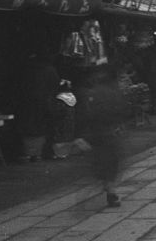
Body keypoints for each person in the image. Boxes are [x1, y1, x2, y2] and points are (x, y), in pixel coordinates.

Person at [78, 63, 140, 208]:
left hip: (96, 132)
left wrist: (82, 134)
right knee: (112, 162)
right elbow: (124, 110)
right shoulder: (114, 92)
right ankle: (110, 189)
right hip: (112, 132)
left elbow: (86, 114)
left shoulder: (92, 92)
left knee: (101, 160)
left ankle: (107, 187)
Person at [19, 50, 63, 162]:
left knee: (29, 128)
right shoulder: (50, 70)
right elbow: (55, 85)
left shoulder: (28, 70)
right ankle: (40, 153)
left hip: (29, 102)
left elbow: (22, 86)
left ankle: (29, 153)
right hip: (45, 102)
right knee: (44, 127)